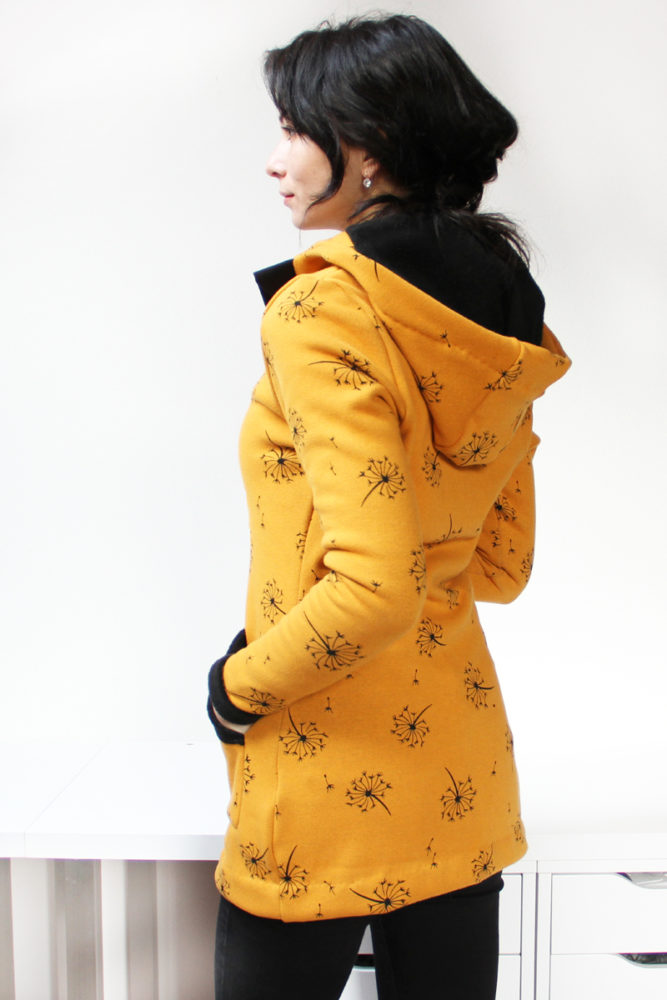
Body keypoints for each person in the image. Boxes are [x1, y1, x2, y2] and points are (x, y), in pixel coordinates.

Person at [207, 14, 570, 999]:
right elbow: (500, 565)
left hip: (322, 779)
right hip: (456, 776)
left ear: (366, 147)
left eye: (294, 129)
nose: (275, 159)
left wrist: (238, 684)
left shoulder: (325, 307)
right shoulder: (500, 310)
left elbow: (373, 588)